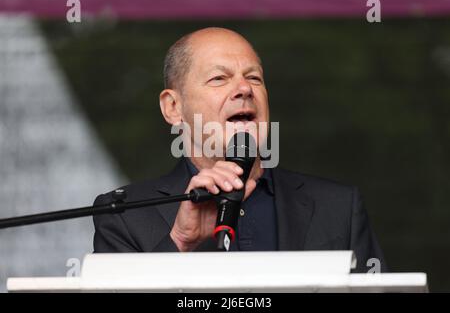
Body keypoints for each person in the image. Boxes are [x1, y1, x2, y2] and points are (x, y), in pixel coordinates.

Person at [93, 27, 386, 273]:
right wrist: (180, 242)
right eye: (219, 78)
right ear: (173, 107)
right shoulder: (123, 216)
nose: (244, 89)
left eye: (254, 78)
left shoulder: (338, 207)